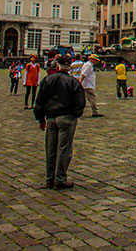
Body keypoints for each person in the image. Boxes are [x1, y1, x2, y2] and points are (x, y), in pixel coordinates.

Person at [33, 54, 86, 189]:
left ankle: (50, 178)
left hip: (50, 118)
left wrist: (40, 118)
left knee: (51, 149)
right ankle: (60, 179)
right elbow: (80, 102)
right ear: (70, 67)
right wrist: (75, 114)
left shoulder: (48, 80)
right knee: (64, 149)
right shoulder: (73, 82)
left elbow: (39, 101)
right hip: (67, 118)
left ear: (57, 65)